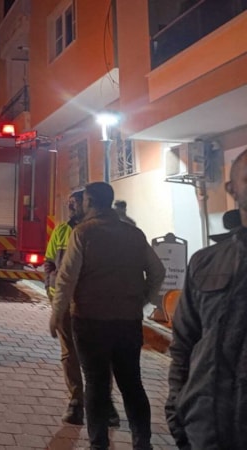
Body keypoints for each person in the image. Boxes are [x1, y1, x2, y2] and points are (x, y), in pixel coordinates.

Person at [51, 182, 165, 450]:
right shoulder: (134, 234)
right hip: (128, 320)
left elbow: (67, 278)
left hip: (90, 320)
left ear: (89, 202)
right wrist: (143, 299)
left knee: (96, 384)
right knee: (132, 383)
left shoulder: (83, 233)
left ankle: (99, 444)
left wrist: (57, 313)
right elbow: (158, 271)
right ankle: (142, 443)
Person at [166, 149, 247, 450]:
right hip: (206, 432)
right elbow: (184, 343)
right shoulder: (205, 263)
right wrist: (177, 407)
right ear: (232, 189)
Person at [45, 190, 119, 426]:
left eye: (75, 203)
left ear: (87, 204)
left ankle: (105, 403)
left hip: (92, 303)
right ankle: (76, 400)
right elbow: (49, 261)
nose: (70, 207)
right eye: (69, 203)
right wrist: (50, 287)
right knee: (69, 354)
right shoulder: (61, 230)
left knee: (100, 354)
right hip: (66, 302)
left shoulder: (98, 232)